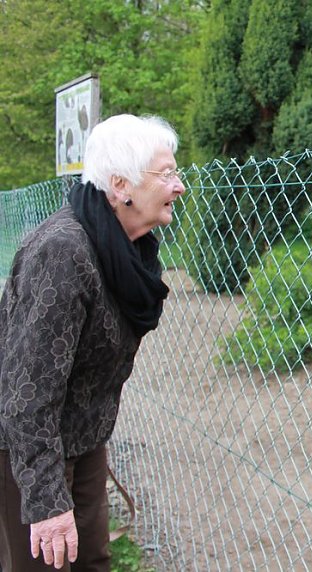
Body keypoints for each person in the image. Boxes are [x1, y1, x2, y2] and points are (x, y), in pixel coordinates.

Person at [0, 114, 185, 570]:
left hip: (82, 439)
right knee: (43, 565)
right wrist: (46, 502)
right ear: (121, 185)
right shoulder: (63, 252)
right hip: (26, 447)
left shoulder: (127, 249)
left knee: (93, 560)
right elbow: (27, 393)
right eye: (166, 174)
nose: (179, 186)